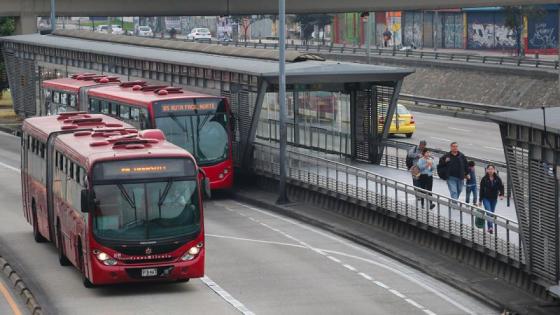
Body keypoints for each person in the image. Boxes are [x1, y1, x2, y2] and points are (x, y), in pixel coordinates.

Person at [478, 165, 504, 234]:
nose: (490, 170)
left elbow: (501, 187)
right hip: (486, 198)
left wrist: (501, 194)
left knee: (491, 214)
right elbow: (481, 190)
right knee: (489, 212)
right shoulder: (484, 179)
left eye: (492, 169)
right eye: (489, 169)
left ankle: (489, 227)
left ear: (494, 170)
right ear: (486, 170)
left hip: (494, 199)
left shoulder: (497, 178)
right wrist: (480, 200)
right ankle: (490, 227)